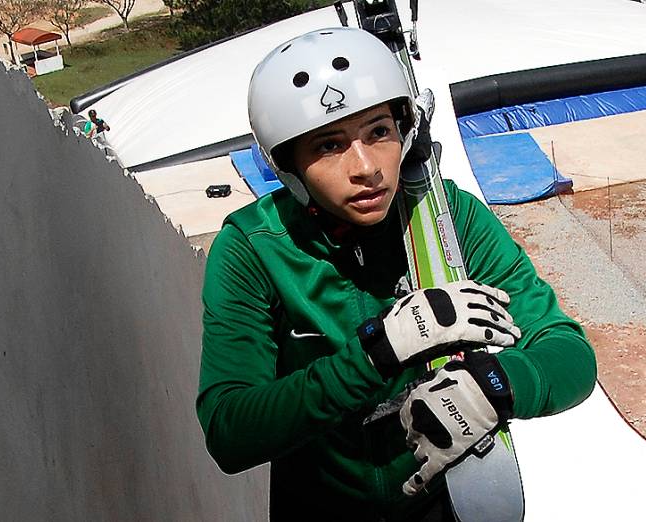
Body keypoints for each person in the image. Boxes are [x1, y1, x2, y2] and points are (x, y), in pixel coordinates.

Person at [196, 27, 596, 521]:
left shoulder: (450, 220)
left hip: (443, 503)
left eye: (379, 131)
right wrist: (375, 353)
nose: (366, 167)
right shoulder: (254, 250)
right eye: (328, 145)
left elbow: (568, 352)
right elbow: (230, 429)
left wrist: (497, 384)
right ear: (288, 165)